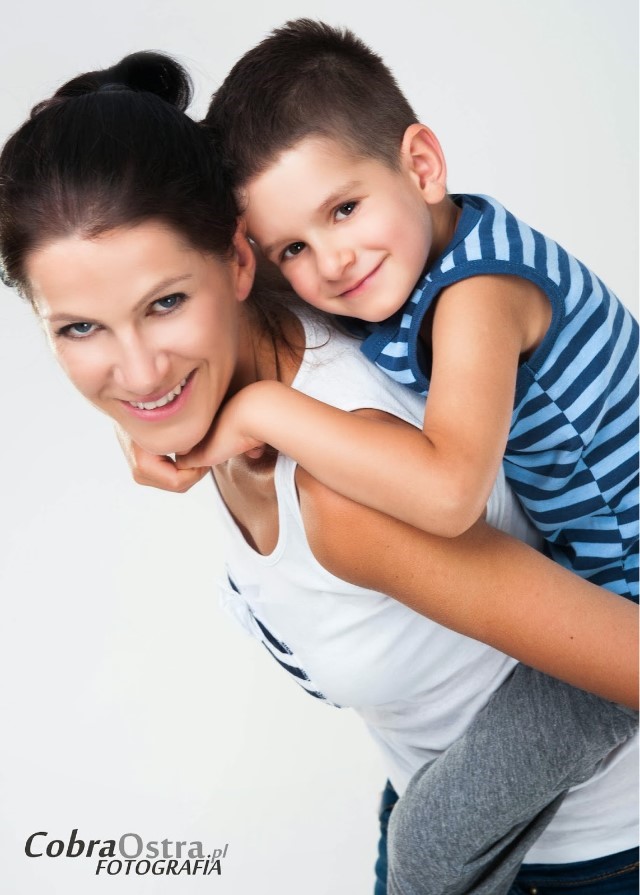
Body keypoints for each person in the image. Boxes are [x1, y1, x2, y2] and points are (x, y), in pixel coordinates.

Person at [0, 52, 637, 895]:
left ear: (235, 263)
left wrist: (254, 411)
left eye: (165, 303)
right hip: (439, 781)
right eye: (80, 328)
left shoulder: (342, 482)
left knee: (424, 848)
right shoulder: (298, 286)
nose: (140, 369)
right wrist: (152, 418)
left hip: (582, 858)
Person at [190, 19, 638, 608]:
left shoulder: (479, 293)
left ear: (422, 166)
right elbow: (234, 292)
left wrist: (261, 410)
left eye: (344, 209)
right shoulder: (414, 249)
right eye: (293, 248)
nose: (333, 262)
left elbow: (450, 497)